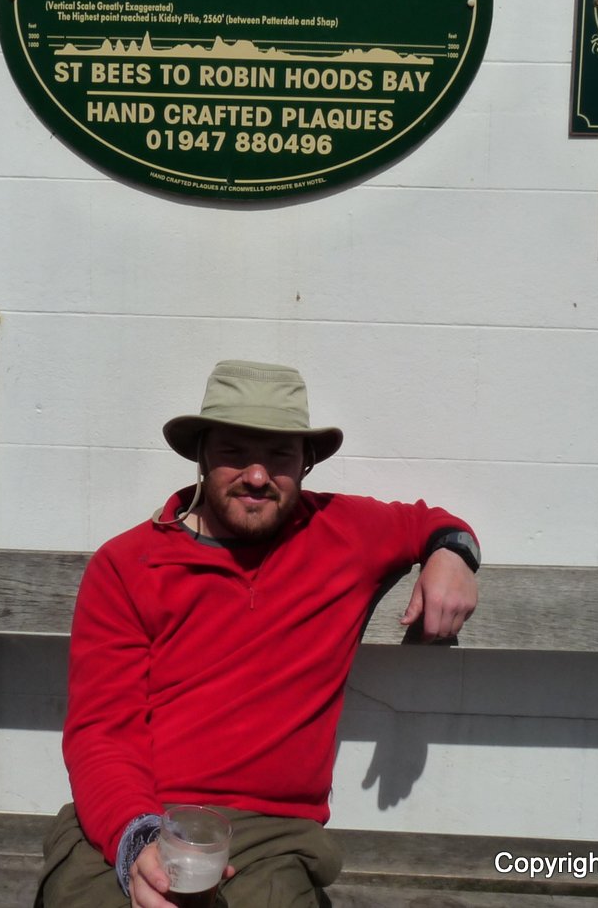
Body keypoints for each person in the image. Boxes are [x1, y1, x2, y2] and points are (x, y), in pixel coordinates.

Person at [37, 361, 480, 908]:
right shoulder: (128, 565)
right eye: (234, 452)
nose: (255, 475)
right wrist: (139, 840)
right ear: (201, 455)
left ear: (306, 462)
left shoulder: (341, 533)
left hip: (272, 830)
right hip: (142, 811)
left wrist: (453, 554)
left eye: (279, 455)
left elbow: (428, 524)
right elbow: (101, 731)